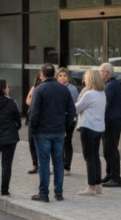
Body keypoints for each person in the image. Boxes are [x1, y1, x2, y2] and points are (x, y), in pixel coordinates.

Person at [27, 63, 76, 202]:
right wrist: (65, 126)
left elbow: (34, 112)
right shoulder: (64, 89)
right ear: (54, 74)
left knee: (44, 163)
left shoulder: (39, 89)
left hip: (42, 132)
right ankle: (58, 193)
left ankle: (43, 194)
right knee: (58, 163)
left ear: (42, 75)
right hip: (58, 131)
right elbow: (72, 111)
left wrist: (33, 129)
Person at [75, 69, 107, 196]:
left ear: (90, 79)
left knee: (89, 157)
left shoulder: (89, 94)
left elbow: (76, 108)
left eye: (86, 78)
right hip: (99, 128)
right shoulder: (102, 93)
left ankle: (91, 186)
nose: (84, 80)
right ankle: (98, 185)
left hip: (88, 127)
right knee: (95, 156)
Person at [99, 62, 121, 187]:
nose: (99, 74)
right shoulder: (112, 84)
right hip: (112, 121)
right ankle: (109, 175)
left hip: (111, 121)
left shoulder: (110, 86)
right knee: (107, 150)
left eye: (100, 71)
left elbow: (104, 102)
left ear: (106, 72)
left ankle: (115, 178)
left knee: (111, 150)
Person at [56, 67, 79, 175]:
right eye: (60, 76)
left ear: (68, 77)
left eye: (64, 76)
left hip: (69, 118)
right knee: (57, 142)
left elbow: (75, 105)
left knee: (67, 141)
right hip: (57, 118)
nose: (62, 78)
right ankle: (58, 165)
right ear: (56, 77)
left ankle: (67, 166)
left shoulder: (72, 89)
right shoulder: (54, 87)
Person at [24, 74, 43, 175]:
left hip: (43, 119)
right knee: (32, 141)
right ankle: (35, 164)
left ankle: (44, 165)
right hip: (32, 117)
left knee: (44, 143)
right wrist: (35, 101)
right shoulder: (34, 88)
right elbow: (27, 101)